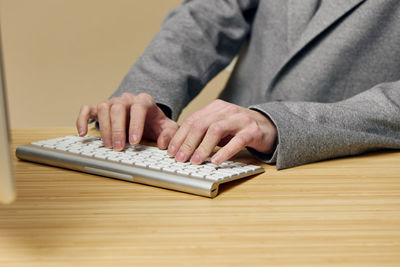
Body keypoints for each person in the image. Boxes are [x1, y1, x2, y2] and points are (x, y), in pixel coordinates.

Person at [76, 0, 400, 170]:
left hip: (345, 171)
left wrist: (281, 124)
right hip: (221, 157)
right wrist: (151, 97)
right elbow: (209, 14)